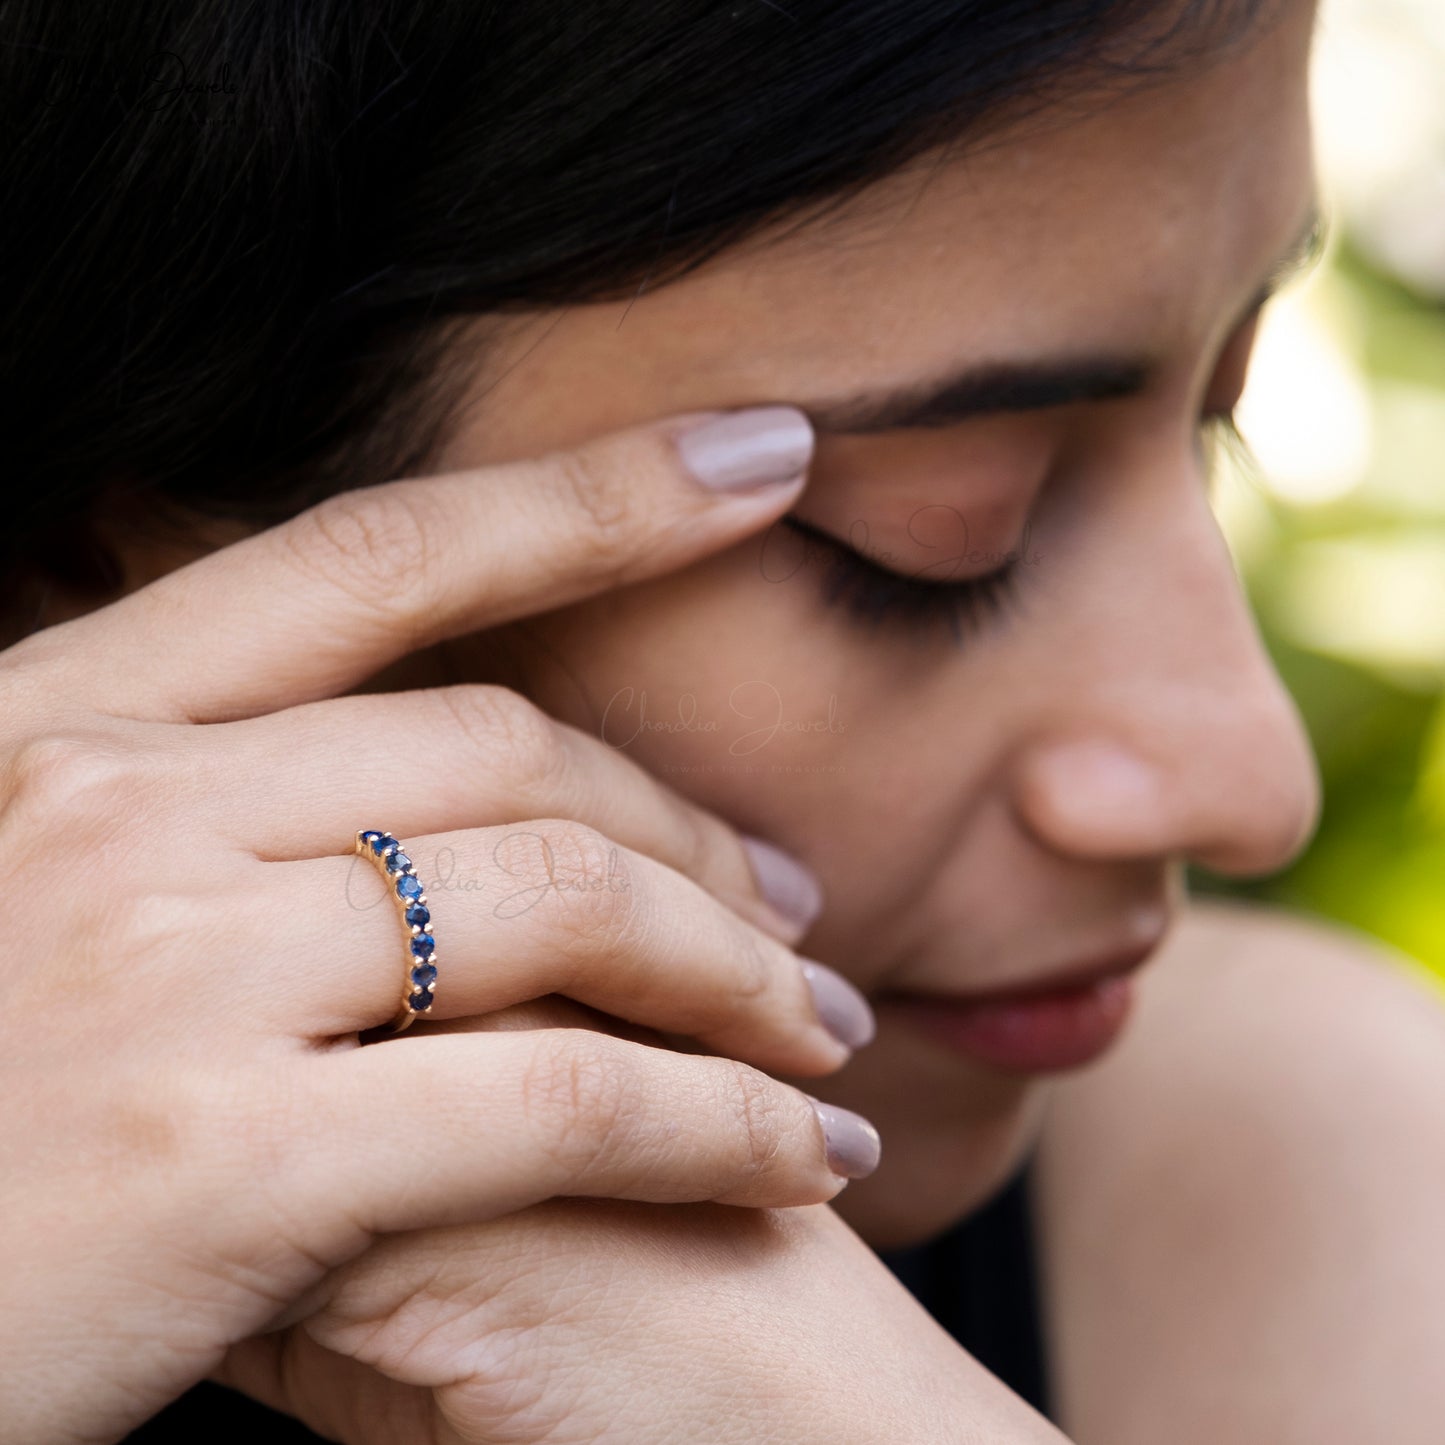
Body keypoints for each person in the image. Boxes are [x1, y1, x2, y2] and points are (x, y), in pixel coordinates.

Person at [5, 0, 1445, 1440]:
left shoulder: (1290, 1178)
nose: (1246, 782)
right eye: (934, 540)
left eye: (1218, 415)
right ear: (76, 546)